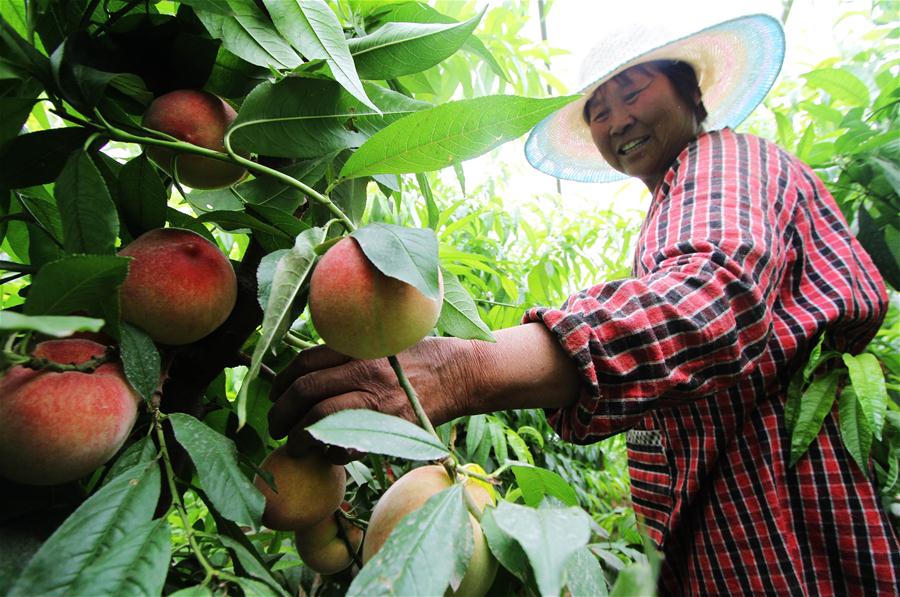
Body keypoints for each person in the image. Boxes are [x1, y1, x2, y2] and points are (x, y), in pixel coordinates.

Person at [268, 10, 900, 595]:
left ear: (691, 91)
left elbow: (707, 302)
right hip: (733, 540)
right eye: (598, 110)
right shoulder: (671, 210)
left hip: (788, 541)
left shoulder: (725, 158)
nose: (616, 119)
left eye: (634, 91)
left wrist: (465, 368)